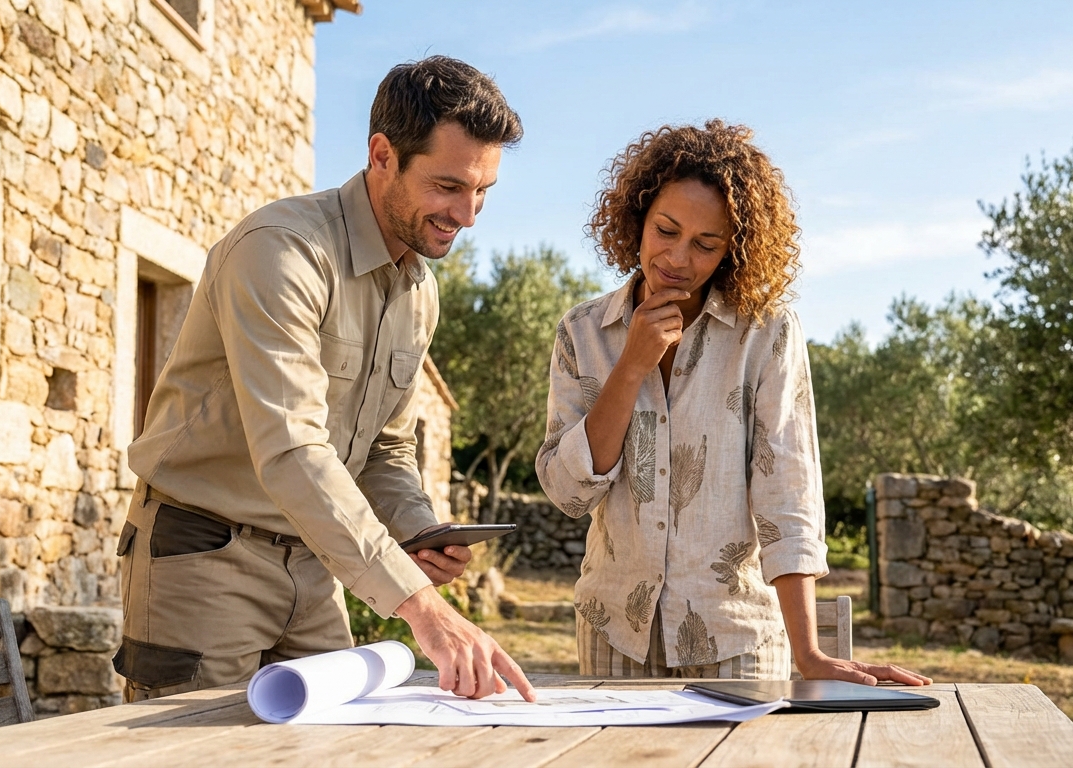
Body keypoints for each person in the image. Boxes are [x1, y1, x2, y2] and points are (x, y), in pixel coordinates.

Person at [115, 56, 536, 703]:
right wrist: (421, 605)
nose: (469, 214)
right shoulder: (280, 251)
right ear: (382, 154)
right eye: (449, 186)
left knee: (335, 742)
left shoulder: (419, 292)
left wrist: (419, 533)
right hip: (204, 556)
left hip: (314, 568)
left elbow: (387, 451)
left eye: (483, 191)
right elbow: (292, 451)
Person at [536, 120, 929, 685]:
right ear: (637, 219)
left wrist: (809, 654)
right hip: (613, 634)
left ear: (733, 250)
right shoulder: (583, 331)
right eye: (666, 230)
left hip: (735, 640)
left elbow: (787, 489)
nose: (677, 258)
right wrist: (631, 366)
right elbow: (568, 492)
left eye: (706, 244)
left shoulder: (766, 333)